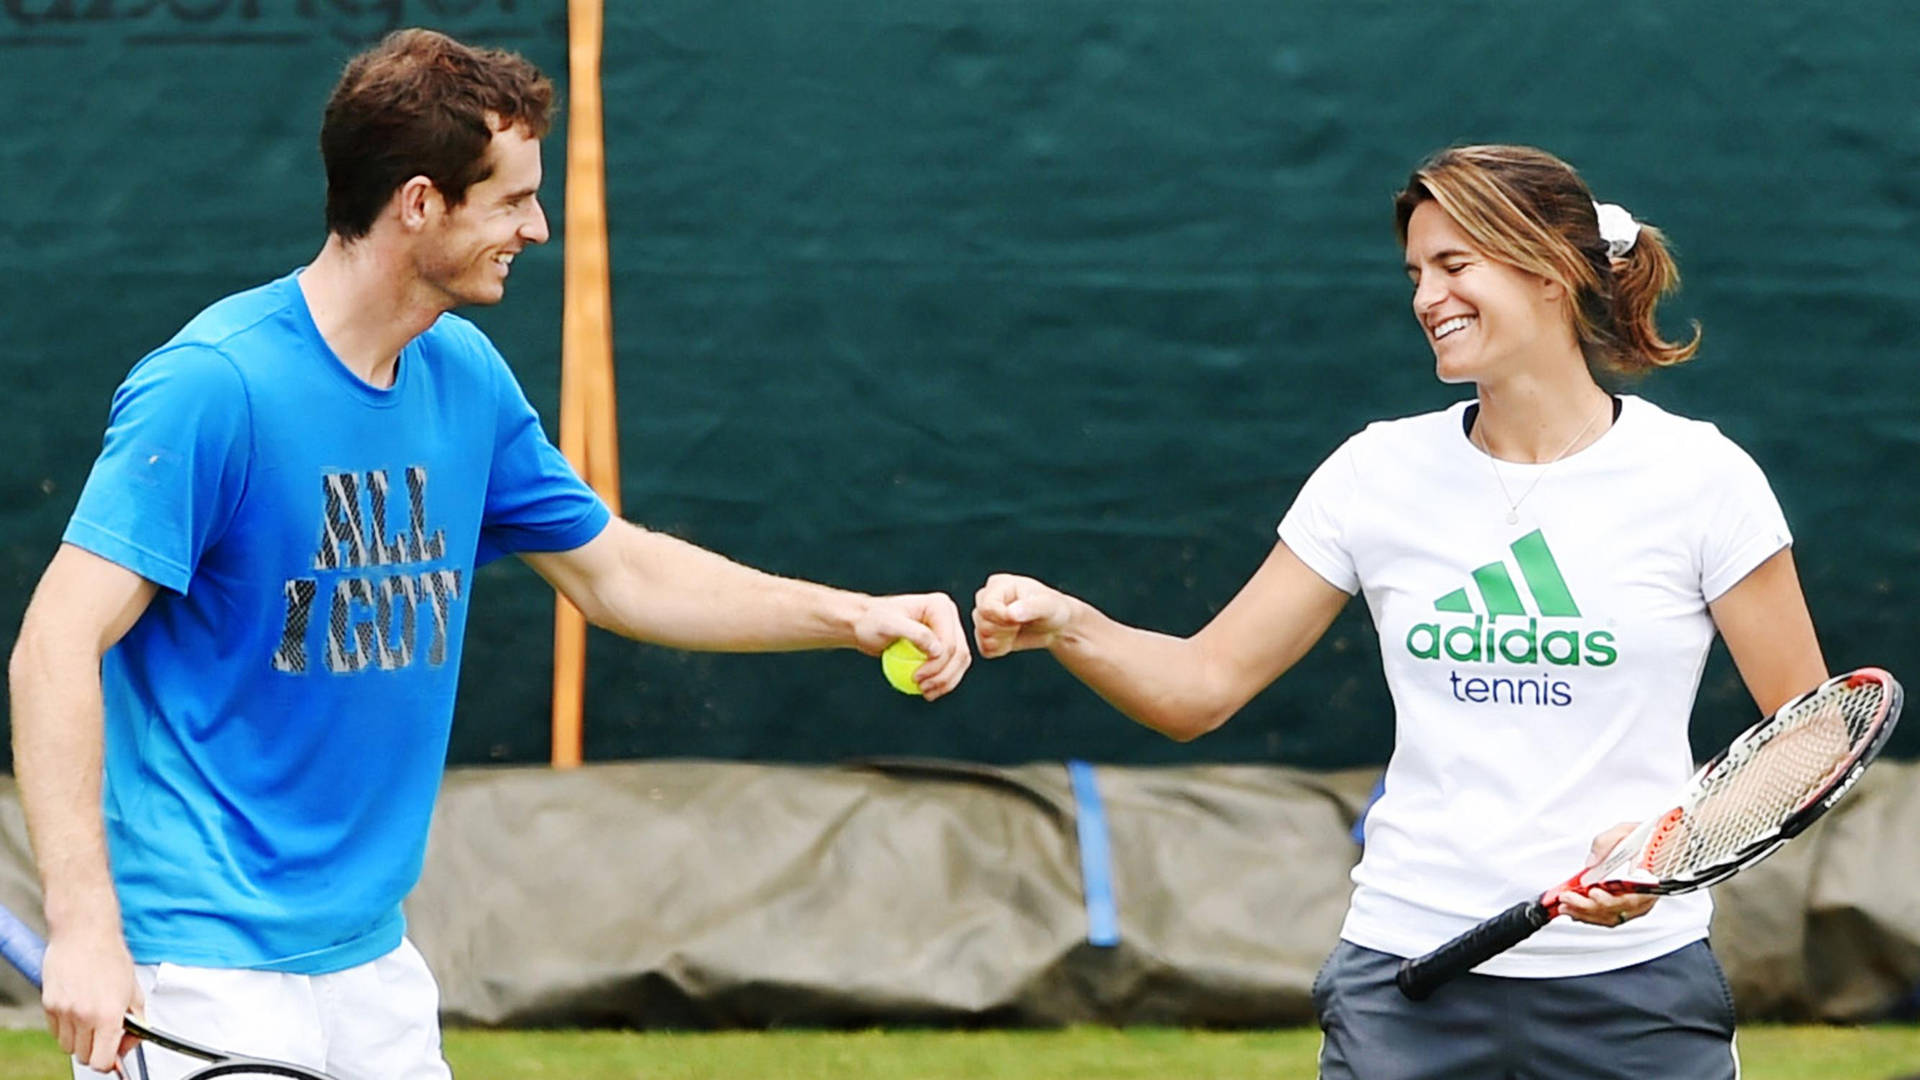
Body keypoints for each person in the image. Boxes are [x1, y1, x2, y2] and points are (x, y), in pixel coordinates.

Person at [7, 28, 971, 1079]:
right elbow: (55, 644)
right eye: (512, 201)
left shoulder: (462, 376)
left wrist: (852, 617)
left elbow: (620, 571)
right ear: (421, 203)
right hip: (199, 968)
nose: (539, 227)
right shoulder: (212, 385)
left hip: (372, 969)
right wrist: (86, 925)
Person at [972, 145, 1824, 1078]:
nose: (1427, 297)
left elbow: (1812, 738)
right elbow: (1200, 689)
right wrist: (1067, 624)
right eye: (1416, 273)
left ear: (1547, 269)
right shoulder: (1374, 473)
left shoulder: (1701, 479)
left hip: (1633, 989)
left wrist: (1670, 850)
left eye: (1456, 266)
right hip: (1408, 983)